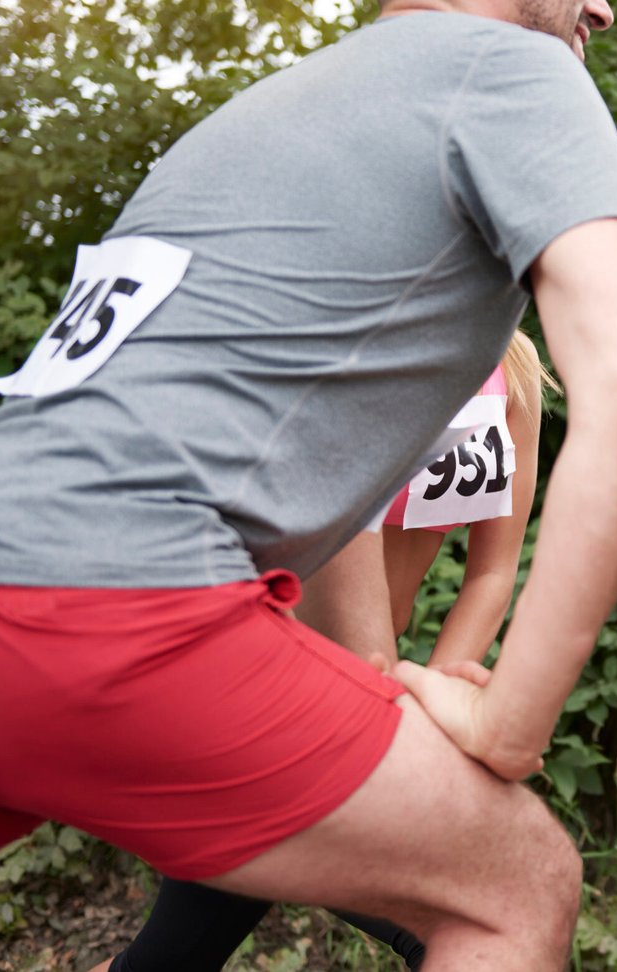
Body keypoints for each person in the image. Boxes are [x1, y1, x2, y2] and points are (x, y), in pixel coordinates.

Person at [0, 0, 617, 967]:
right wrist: (510, 728)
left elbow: (293, 458)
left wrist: (368, 673)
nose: (600, 4)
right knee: (516, 885)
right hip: (110, 605)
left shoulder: (264, 113)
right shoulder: (514, 67)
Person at [96, 331, 552, 972]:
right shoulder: (353, 347)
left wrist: (438, 691)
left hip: (358, 693)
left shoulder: (514, 369)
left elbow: (492, 572)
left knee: (173, 955)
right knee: (481, 921)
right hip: (268, 687)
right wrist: (406, 725)